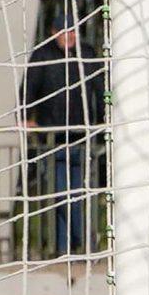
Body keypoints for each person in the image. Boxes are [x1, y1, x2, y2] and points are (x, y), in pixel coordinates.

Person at [25, 26, 100, 257]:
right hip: (52, 135)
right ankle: (73, 244)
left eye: (73, 32)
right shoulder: (43, 55)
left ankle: (72, 245)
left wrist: (107, 118)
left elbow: (101, 86)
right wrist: (26, 118)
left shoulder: (86, 54)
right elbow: (28, 87)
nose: (69, 37)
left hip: (82, 134)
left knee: (77, 191)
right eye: (63, 32)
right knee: (61, 191)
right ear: (54, 33)